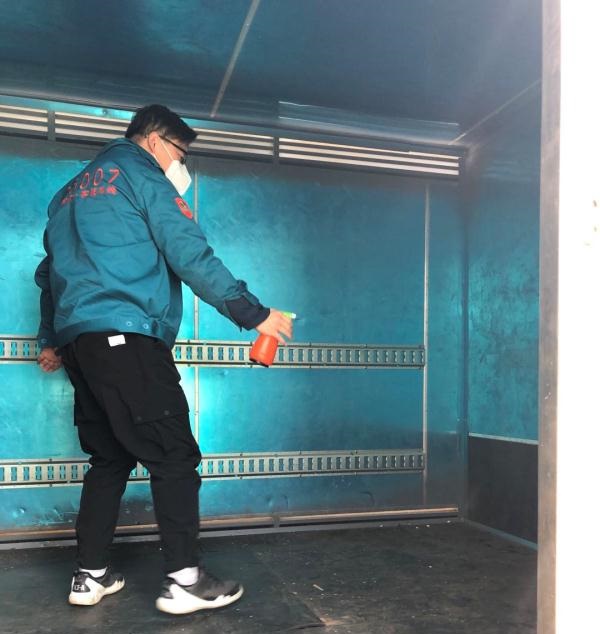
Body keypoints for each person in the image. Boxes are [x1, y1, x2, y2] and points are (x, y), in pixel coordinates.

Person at [34, 104, 293, 615]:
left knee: (109, 458)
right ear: (154, 140)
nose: (181, 164)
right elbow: (189, 253)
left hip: (82, 344)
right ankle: (185, 582)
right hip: (127, 336)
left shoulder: (67, 195)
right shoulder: (142, 177)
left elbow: (49, 276)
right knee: (174, 455)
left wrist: (51, 339)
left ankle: (90, 576)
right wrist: (253, 314)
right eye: (180, 153)